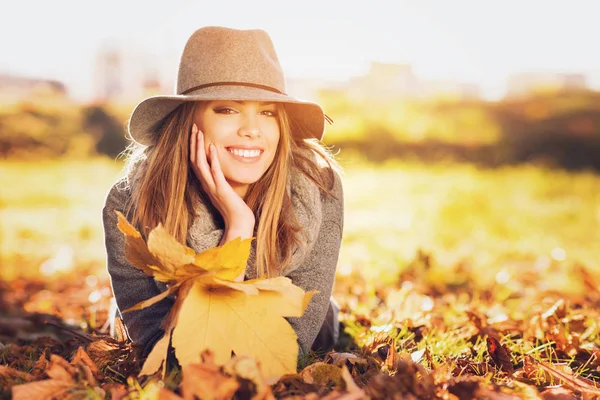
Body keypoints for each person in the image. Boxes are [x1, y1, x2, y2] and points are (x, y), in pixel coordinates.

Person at [102, 26, 344, 362]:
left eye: (267, 112)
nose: (251, 129)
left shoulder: (318, 187)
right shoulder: (130, 200)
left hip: (315, 325)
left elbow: (284, 354)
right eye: (227, 109)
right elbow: (180, 359)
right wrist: (238, 227)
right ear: (189, 121)